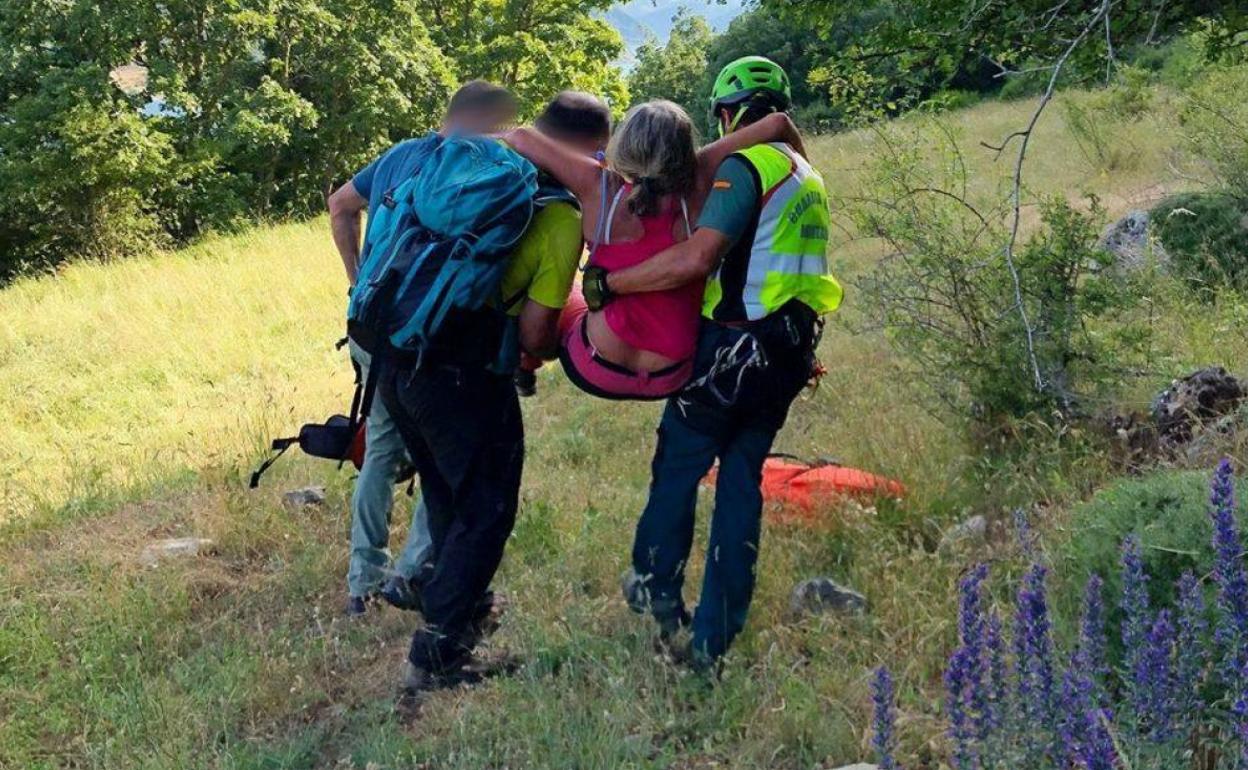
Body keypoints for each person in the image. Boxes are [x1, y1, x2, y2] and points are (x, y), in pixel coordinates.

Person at [601, 57, 844, 668]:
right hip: (789, 354)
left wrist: (613, 285)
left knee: (678, 466)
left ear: (727, 113)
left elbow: (695, 260)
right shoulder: (805, 171)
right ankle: (713, 643)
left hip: (733, 351)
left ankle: (656, 594)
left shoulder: (746, 166)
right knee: (741, 485)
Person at [372, 91, 613, 614]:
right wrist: (563, 336)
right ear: (586, 150)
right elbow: (533, 336)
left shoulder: (463, 163)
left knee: (446, 499)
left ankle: (451, 613)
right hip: (463, 374)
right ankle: (438, 652)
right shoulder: (558, 215)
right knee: (486, 511)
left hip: (393, 357)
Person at [325, 81, 528, 617]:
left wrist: (355, 278)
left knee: (382, 449)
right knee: (438, 462)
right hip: (431, 342)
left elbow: (339, 206)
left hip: (372, 326)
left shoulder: (400, 156)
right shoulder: (486, 168)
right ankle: (414, 571)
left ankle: (361, 580)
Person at [500, 99, 806, 401]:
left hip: (596, 365)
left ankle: (526, 362)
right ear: (684, 150)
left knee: (565, 289)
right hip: (671, 375)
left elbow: (520, 137)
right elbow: (779, 123)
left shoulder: (599, 186)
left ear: (624, 146)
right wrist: (807, 176)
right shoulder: (702, 174)